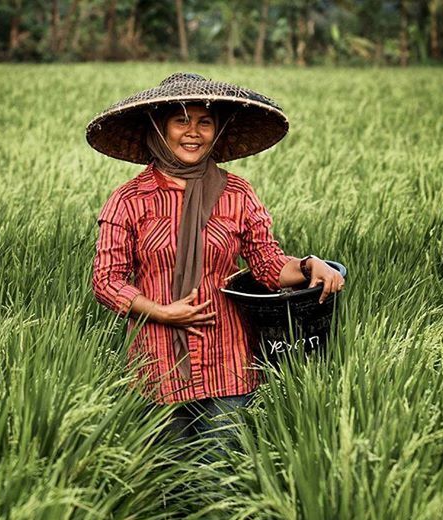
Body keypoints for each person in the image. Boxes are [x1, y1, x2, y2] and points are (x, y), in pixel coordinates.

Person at [86, 73, 344, 462]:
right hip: (158, 364)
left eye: (204, 121)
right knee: (166, 482)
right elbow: (106, 281)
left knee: (222, 477)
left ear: (217, 129)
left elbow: (268, 266)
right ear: (160, 127)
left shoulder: (237, 193)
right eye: (181, 120)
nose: (193, 132)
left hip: (229, 360)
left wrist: (311, 266)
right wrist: (161, 312)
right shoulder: (129, 200)